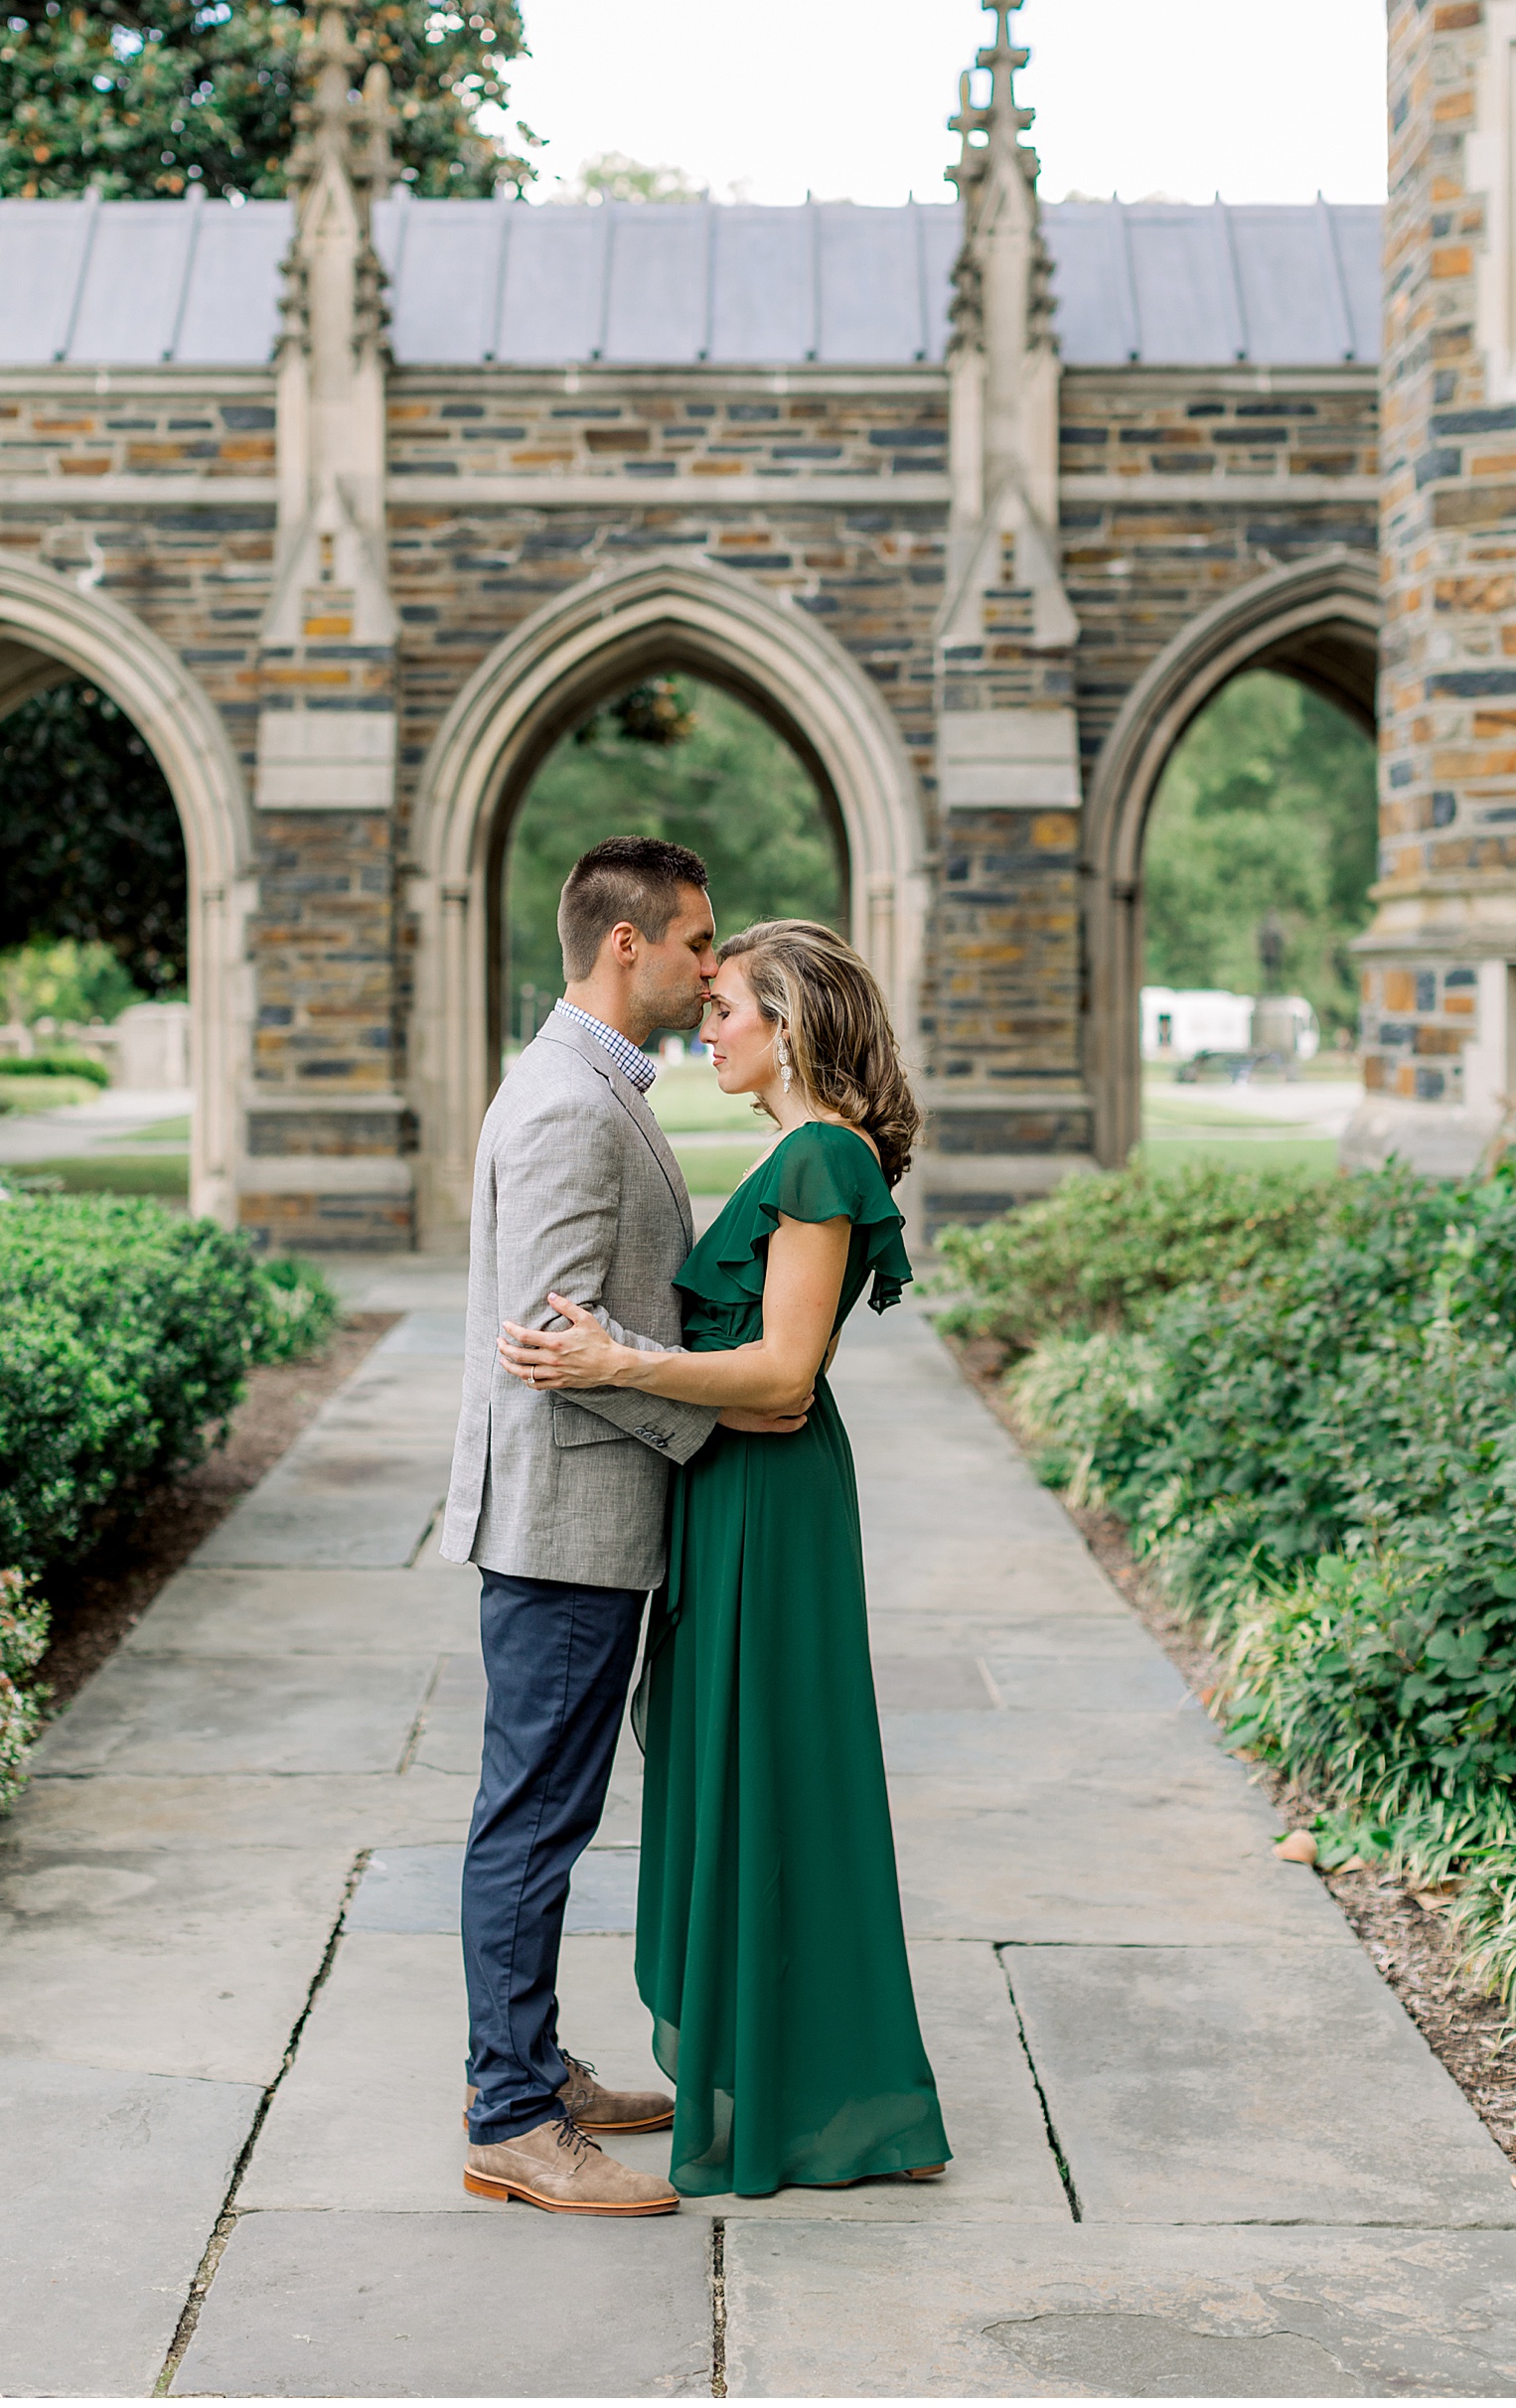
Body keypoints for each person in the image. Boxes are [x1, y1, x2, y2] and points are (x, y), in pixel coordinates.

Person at [499, 918, 951, 2197]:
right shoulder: (797, 1150)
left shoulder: (817, 1157)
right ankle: (796, 2077)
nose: (709, 1020)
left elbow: (781, 1374)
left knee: (769, 1782)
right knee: (741, 1772)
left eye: (731, 1004)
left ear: (792, 1022)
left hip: (771, 1510)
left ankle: (821, 2101)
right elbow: (752, 1380)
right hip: (734, 1488)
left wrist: (616, 1360)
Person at [442, 838, 811, 2218]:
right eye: (696, 942)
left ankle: (530, 2066)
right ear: (627, 946)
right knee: (533, 1816)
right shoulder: (565, 1104)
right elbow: (552, 1334)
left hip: (586, 1515)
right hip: (560, 1521)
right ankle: (513, 2117)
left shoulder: (595, 1085)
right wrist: (720, 1418)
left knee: (549, 1805)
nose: (710, 966)